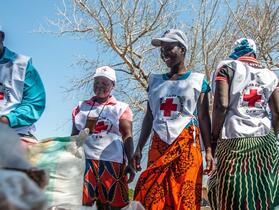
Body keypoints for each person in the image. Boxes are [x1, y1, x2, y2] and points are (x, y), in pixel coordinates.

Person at [132, 29, 214, 209]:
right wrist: (138, 147)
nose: (164, 53)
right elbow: (149, 116)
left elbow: (204, 118)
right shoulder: (154, 81)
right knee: (152, 195)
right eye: (162, 49)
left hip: (186, 146)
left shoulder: (197, 80)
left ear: (182, 50)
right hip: (159, 145)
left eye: (169, 48)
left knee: (184, 197)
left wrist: (208, 149)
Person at [208, 38, 279, 210]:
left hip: (233, 141)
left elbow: (221, 106)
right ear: (254, 53)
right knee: (265, 196)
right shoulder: (271, 75)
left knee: (232, 195)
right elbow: (278, 114)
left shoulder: (227, 67)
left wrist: (213, 139)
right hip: (265, 142)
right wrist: (271, 137)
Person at [71, 66, 135, 209]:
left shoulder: (121, 107)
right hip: (85, 161)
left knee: (110, 205)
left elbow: (127, 135)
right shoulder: (81, 107)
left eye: (105, 83)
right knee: (82, 204)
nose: (100, 86)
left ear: (113, 85)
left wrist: (131, 162)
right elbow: (74, 137)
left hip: (112, 162)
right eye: (96, 83)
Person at [0, 27, 46, 139]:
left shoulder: (22, 65)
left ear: (1, 37)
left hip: (16, 133)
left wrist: (7, 120)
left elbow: (34, 103)